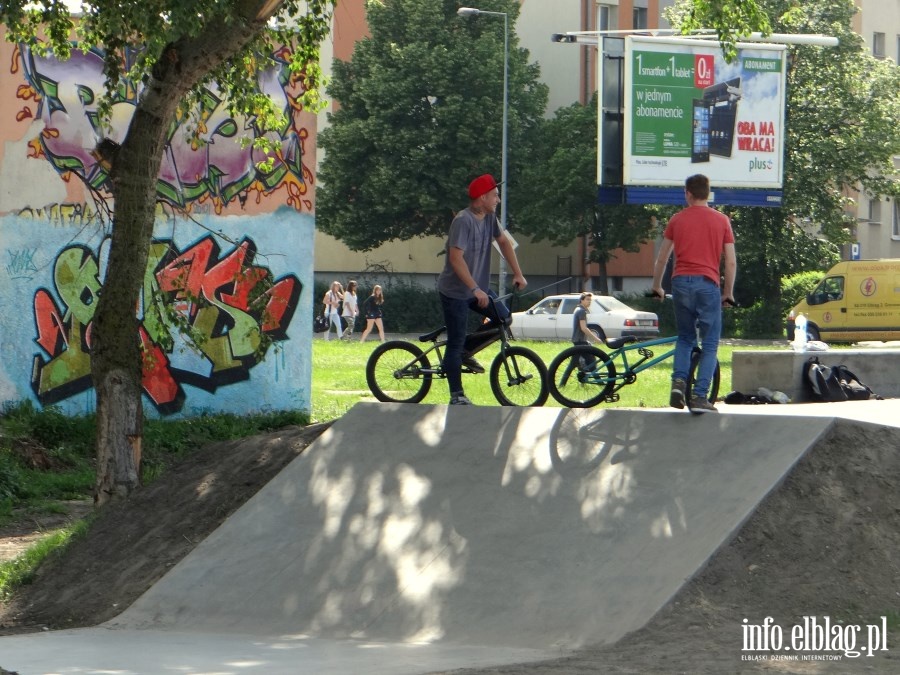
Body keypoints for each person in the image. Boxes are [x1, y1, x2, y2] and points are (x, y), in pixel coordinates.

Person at [436, 173, 527, 405]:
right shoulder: (462, 221)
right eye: (495, 195)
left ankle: (464, 352)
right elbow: (456, 259)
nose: (498, 199)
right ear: (482, 197)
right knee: (455, 341)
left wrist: (518, 273)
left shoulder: (489, 218)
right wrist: (475, 288)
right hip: (456, 292)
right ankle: (456, 395)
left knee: (504, 319)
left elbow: (504, 242)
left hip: (479, 289)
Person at [651, 174, 736, 413]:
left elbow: (662, 258)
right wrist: (727, 293)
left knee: (686, 338)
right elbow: (730, 262)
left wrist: (657, 286)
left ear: (687, 193)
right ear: (708, 193)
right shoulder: (722, 221)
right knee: (709, 344)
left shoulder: (676, 220)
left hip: (680, 284)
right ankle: (699, 397)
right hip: (708, 285)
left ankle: (678, 383)